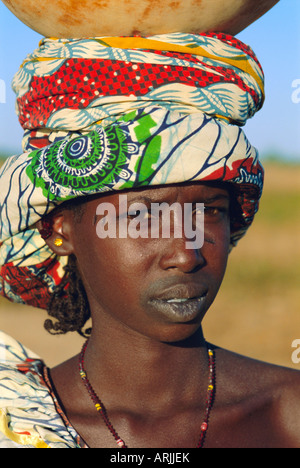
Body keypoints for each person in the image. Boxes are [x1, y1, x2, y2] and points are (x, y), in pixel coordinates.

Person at [0, 32, 300, 449]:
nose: (185, 252)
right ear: (60, 230)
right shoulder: (15, 421)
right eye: (141, 216)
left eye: (209, 210)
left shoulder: (288, 415)